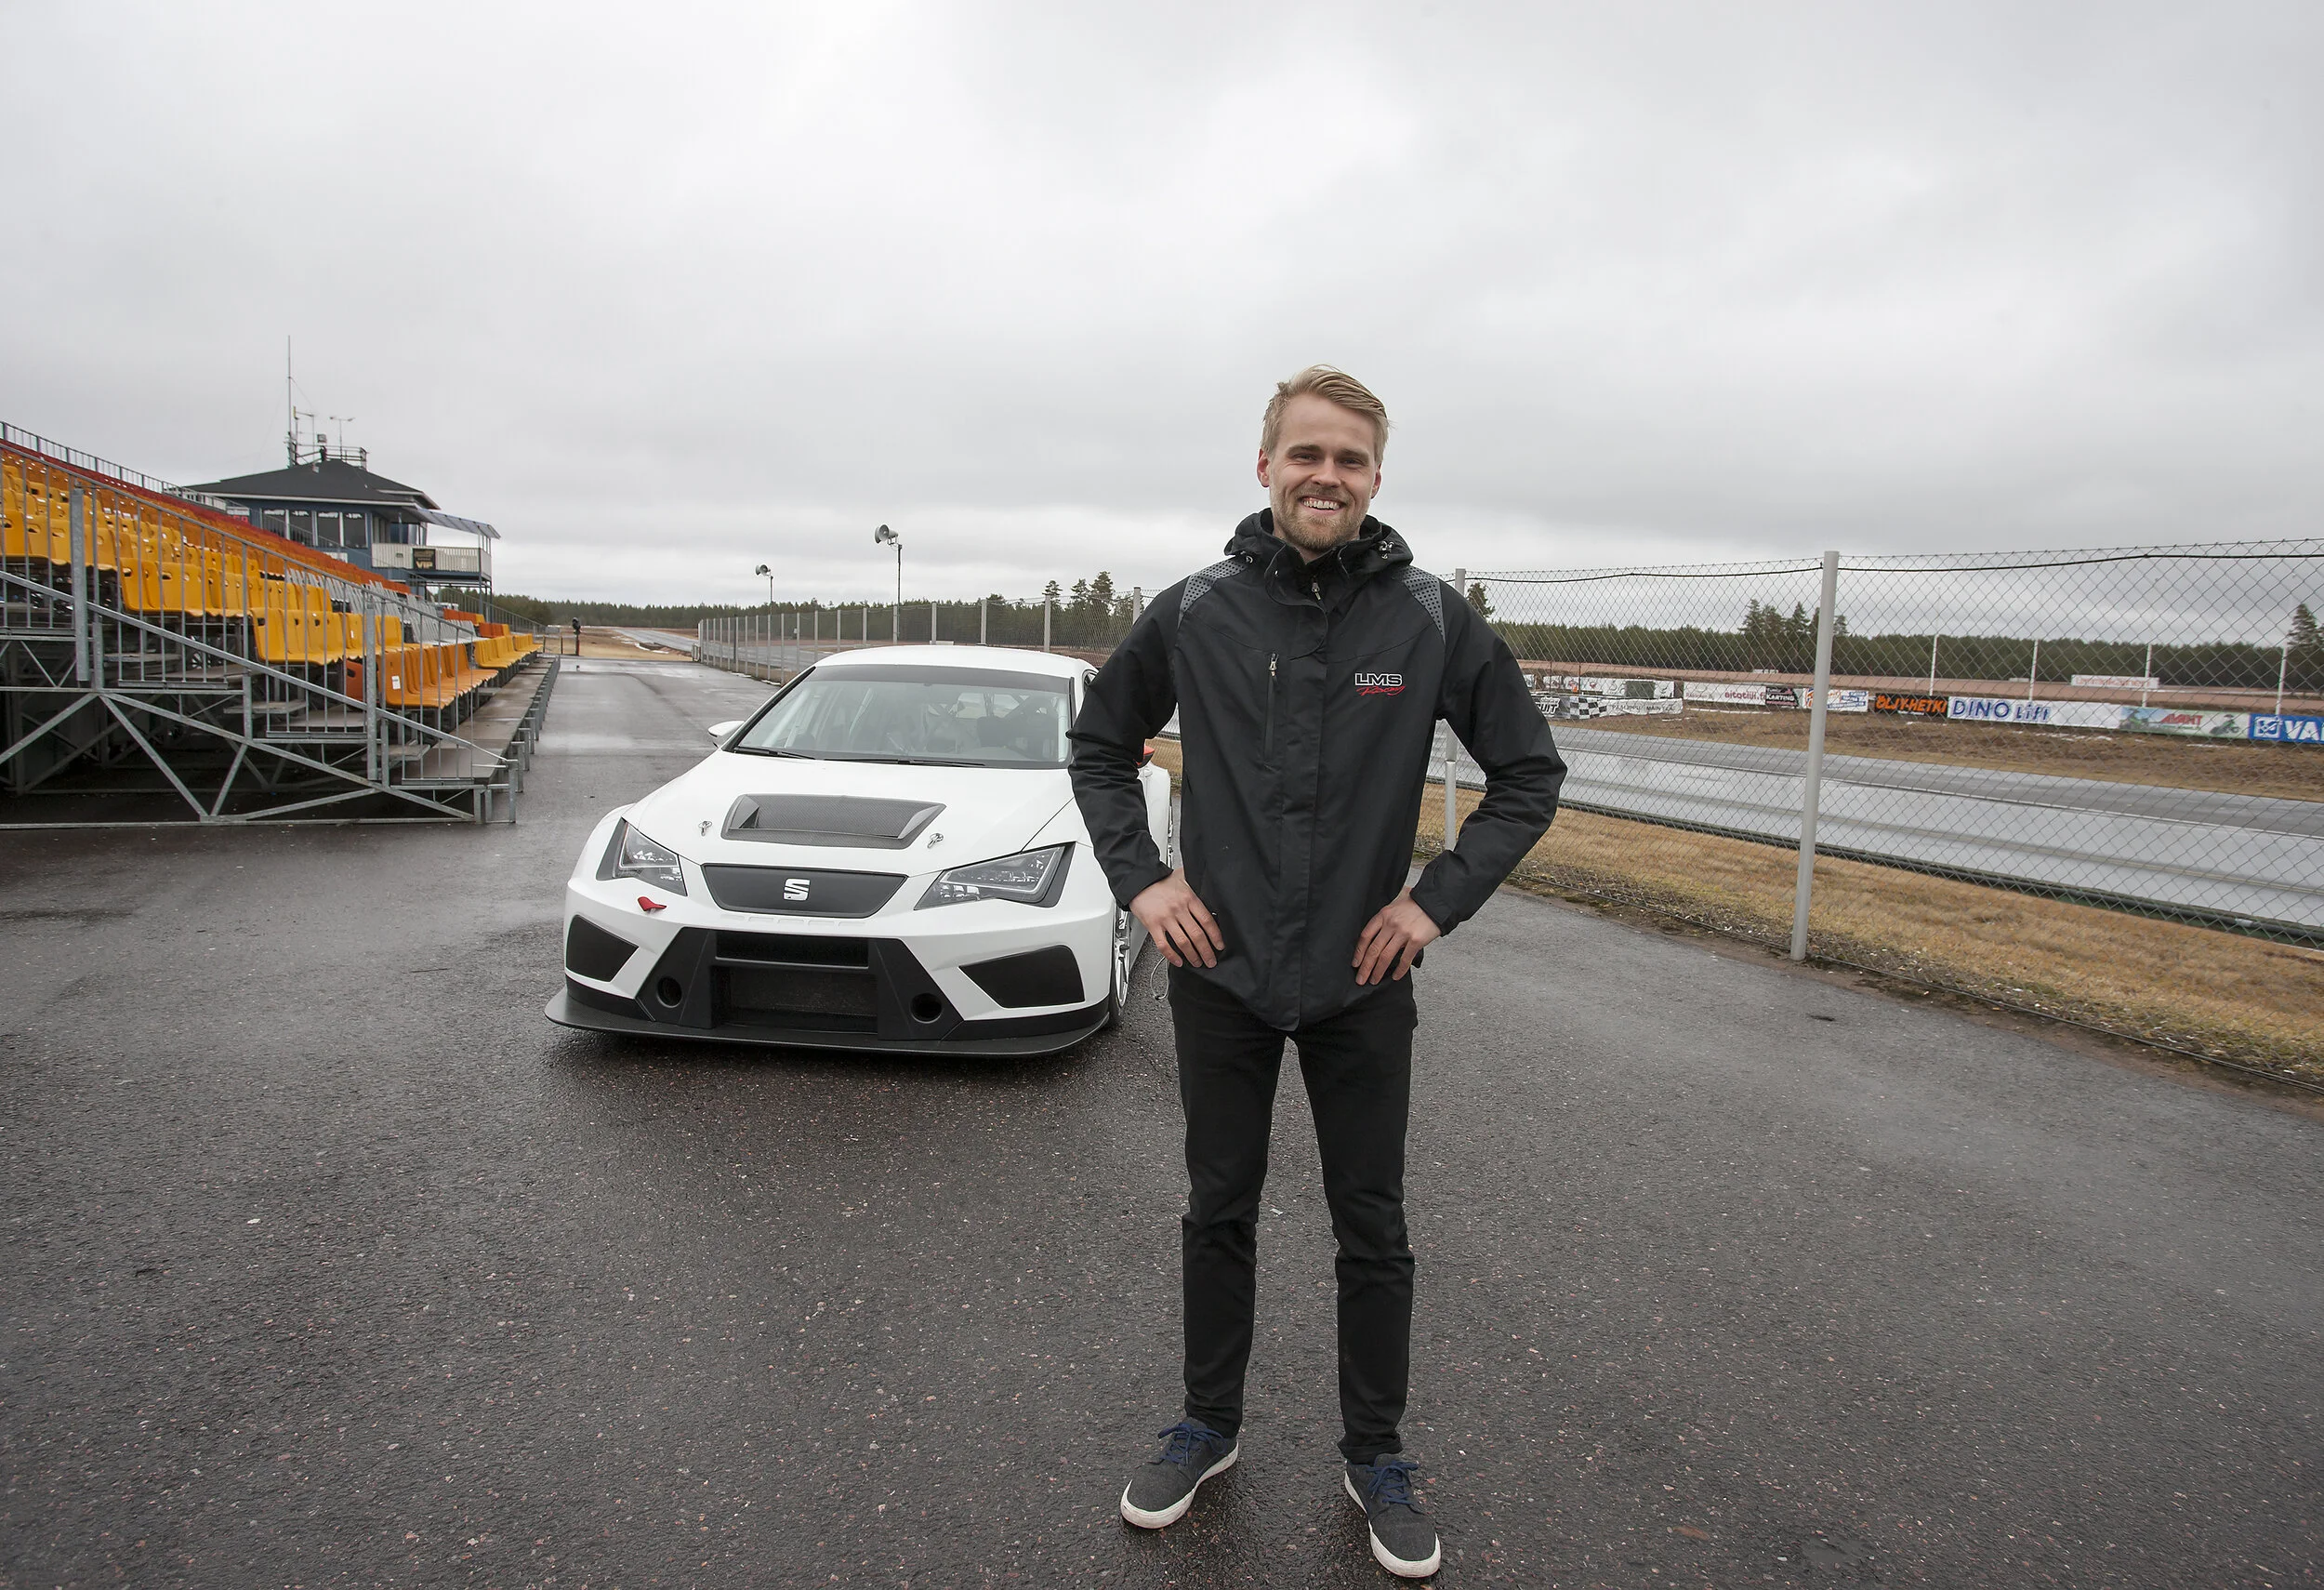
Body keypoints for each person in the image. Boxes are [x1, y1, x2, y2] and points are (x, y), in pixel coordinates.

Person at [1069, 365, 1566, 1579]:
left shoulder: (1431, 619)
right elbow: (1098, 744)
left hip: (1361, 977)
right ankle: (1208, 1425)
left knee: (1372, 1223)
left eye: (1349, 458)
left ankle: (1375, 1453)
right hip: (1221, 970)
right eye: (1306, 454)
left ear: (1377, 477)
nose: (1325, 475)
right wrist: (1145, 881)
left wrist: (1432, 902)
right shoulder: (1196, 611)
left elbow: (1527, 775)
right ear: (1266, 467)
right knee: (1218, 1206)